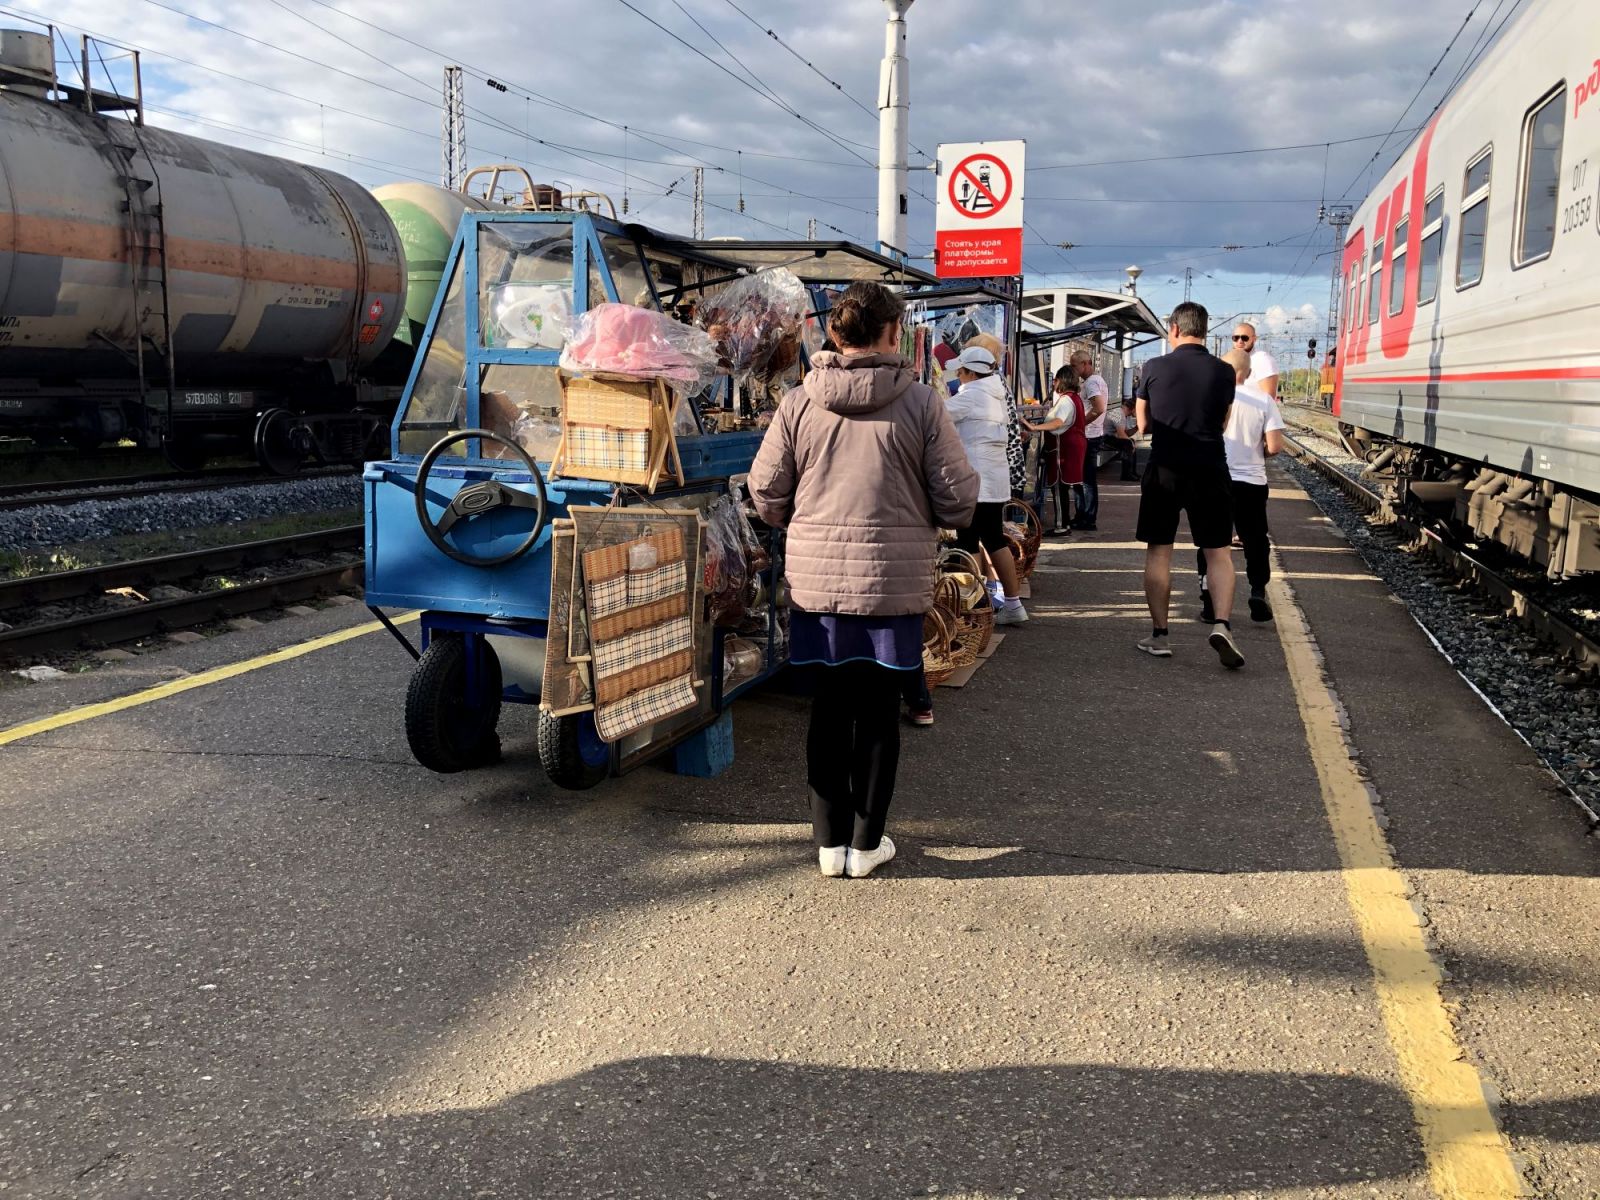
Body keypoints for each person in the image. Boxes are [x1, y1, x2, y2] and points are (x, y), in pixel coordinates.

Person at [750, 281, 979, 878]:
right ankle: (866, 844)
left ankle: (828, 848)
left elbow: (765, 491)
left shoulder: (800, 402)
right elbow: (958, 498)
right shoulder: (923, 402)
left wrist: (803, 523)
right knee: (879, 710)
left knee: (827, 708)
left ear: (834, 333)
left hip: (817, 585)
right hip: (891, 585)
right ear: (892, 332)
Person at [1134, 301, 1244, 669]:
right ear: (1205, 330)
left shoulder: (1153, 367)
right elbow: (1224, 422)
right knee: (1218, 553)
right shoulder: (1225, 372)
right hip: (1211, 467)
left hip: (1165, 469)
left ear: (1175, 329)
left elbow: (1143, 423)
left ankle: (1160, 635)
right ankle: (1223, 625)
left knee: (1159, 551)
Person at [946, 345, 1029, 625]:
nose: (958, 374)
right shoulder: (996, 394)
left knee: (968, 540)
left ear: (971, 373)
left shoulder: (971, 396)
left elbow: (934, 413)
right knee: (994, 539)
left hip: (973, 481)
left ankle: (974, 611)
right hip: (994, 481)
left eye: (961, 370)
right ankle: (1014, 605)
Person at [1021, 365, 1085, 536]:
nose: (1054, 383)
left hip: (1061, 450)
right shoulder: (1074, 398)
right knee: (1062, 488)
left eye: (1055, 380)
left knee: (1058, 488)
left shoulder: (1065, 401)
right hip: (1070, 448)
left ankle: (1061, 525)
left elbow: (1057, 422)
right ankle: (1064, 523)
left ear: (1062, 381)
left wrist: (1035, 427)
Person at [1070, 350, 1109, 530]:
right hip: (1092, 435)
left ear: (1086, 363)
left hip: (1088, 436)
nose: (1073, 369)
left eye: (1074, 365)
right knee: (1083, 479)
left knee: (1086, 480)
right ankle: (1082, 515)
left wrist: (1080, 423)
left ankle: (1087, 518)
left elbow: (1099, 407)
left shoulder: (1092, 382)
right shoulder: (1096, 381)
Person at [1232, 322, 1278, 402]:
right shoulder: (1230, 360)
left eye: (1244, 338)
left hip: (1253, 414)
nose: (1240, 341)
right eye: (1236, 338)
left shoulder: (1262, 360)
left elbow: (1269, 400)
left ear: (1254, 339)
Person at [1108, 396, 1140, 481]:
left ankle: (1132, 472)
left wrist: (1137, 427)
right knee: (1128, 444)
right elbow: (1122, 435)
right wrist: (1131, 444)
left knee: (1130, 442)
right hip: (1104, 438)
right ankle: (1126, 475)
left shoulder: (1122, 414)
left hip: (1110, 437)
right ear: (1133, 409)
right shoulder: (1119, 414)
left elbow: (1126, 434)